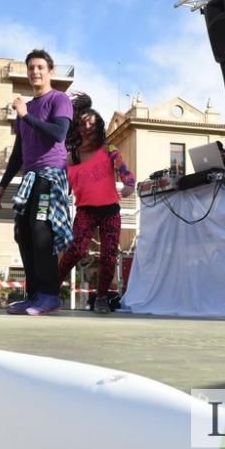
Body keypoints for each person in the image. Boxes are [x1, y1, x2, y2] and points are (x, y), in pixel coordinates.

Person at [0, 49, 74, 316]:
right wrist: (2, 185)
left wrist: (26, 115)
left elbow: (59, 133)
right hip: (30, 178)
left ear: (50, 71)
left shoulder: (59, 99)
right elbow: (18, 152)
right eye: (30, 68)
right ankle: (34, 295)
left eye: (40, 67)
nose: (35, 72)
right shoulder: (25, 110)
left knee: (41, 230)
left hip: (51, 175)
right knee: (22, 233)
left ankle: (50, 295)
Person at [58, 107, 136, 314]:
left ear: (98, 126)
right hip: (85, 210)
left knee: (109, 254)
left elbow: (124, 170)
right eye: (83, 123)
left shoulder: (109, 149)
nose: (87, 127)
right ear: (77, 127)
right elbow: (60, 177)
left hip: (110, 210)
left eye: (91, 123)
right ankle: (51, 287)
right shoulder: (72, 155)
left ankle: (101, 298)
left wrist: (129, 183)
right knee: (76, 250)